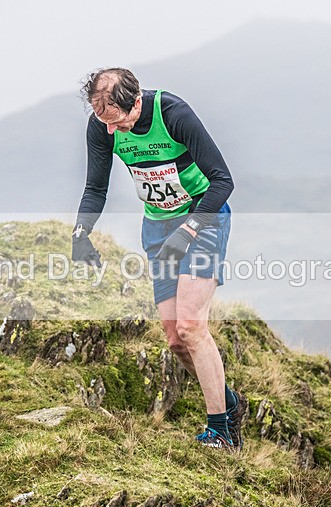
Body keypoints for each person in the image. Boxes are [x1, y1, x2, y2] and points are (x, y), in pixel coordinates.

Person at [73, 68, 247, 450]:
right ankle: (230, 402)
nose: (111, 133)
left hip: (204, 218)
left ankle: (221, 431)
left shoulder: (172, 114)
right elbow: (94, 187)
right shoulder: (101, 126)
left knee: (190, 325)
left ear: (135, 103)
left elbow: (223, 181)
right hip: (157, 226)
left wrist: (188, 232)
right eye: (104, 123)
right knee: (174, 339)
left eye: (118, 122)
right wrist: (80, 231)